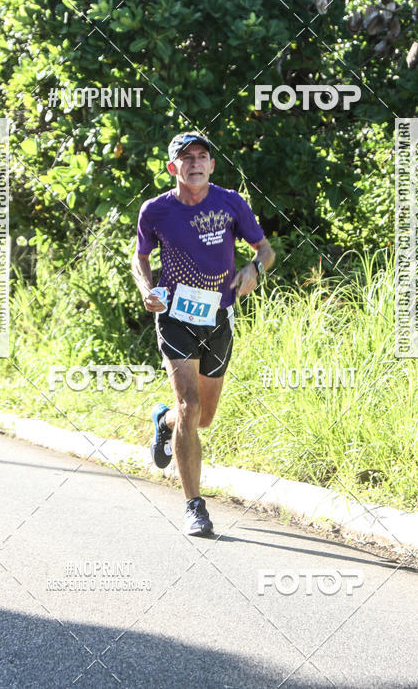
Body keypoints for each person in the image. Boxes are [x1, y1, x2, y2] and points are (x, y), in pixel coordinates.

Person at [131, 132, 275, 536]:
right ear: (172, 167)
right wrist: (148, 290)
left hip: (219, 315)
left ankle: (164, 421)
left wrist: (254, 269)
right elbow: (140, 256)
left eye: (202, 156)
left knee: (203, 418)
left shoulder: (230, 202)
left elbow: (265, 249)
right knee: (190, 406)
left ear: (211, 165)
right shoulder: (155, 211)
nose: (195, 163)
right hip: (175, 314)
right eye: (186, 157)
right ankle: (194, 506)